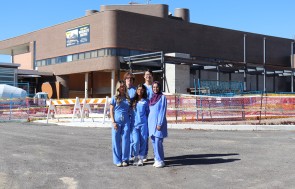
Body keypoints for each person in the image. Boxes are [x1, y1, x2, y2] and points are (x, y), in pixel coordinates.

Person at [110, 80, 131, 167]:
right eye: (121, 86)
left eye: (123, 86)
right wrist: (113, 121)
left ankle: (125, 159)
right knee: (116, 140)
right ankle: (117, 160)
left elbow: (130, 109)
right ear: (118, 87)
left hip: (126, 121)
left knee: (126, 140)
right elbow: (111, 110)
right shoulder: (114, 98)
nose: (122, 88)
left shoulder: (127, 98)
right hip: (117, 122)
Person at [148, 81, 167, 168]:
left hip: (159, 124)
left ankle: (160, 160)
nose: (155, 89)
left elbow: (162, 111)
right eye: (154, 87)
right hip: (151, 123)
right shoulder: (151, 98)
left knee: (158, 141)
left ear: (159, 87)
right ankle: (157, 158)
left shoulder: (162, 97)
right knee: (153, 141)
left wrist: (159, 123)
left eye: (157, 87)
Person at [130, 84, 149, 166]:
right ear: (136, 90)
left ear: (144, 91)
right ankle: (135, 157)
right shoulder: (133, 101)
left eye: (141, 89)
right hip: (134, 125)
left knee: (143, 141)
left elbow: (148, 113)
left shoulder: (146, 101)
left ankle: (141, 158)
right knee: (136, 141)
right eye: (138, 89)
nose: (140, 91)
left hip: (143, 125)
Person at [123, 71, 137, 162]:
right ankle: (125, 156)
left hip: (133, 116)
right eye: (128, 78)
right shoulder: (121, 90)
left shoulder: (135, 90)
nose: (129, 80)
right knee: (125, 137)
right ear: (125, 80)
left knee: (134, 137)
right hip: (124, 117)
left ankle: (133, 155)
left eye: (131, 79)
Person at [143, 69, 153, 162]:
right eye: (146, 74)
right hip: (144, 114)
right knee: (145, 135)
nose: (148, 76)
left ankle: (156, 154)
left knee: (153, 135)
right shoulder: (142, 87)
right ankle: (144, 153)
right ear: (144, 76)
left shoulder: (155, 87)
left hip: (153, 113)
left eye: (149, 74)